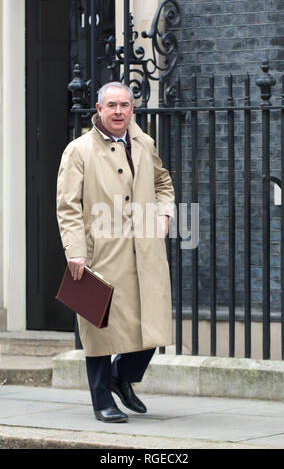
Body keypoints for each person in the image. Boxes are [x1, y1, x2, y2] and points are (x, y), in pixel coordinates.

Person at [56, 81, 175, 423]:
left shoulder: (144, 142)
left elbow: (162, 182)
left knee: (151, 326)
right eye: (112, 105)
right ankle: (102, 400)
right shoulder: (78, 151)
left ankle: (121, 377)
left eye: (124, 105)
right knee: (99, 328)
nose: (119, 111)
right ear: (99, 109)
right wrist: (75, 250)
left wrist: (165, 213)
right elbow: (68, 206)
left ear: (132, 109)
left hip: (145, 250)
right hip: (100, 251)